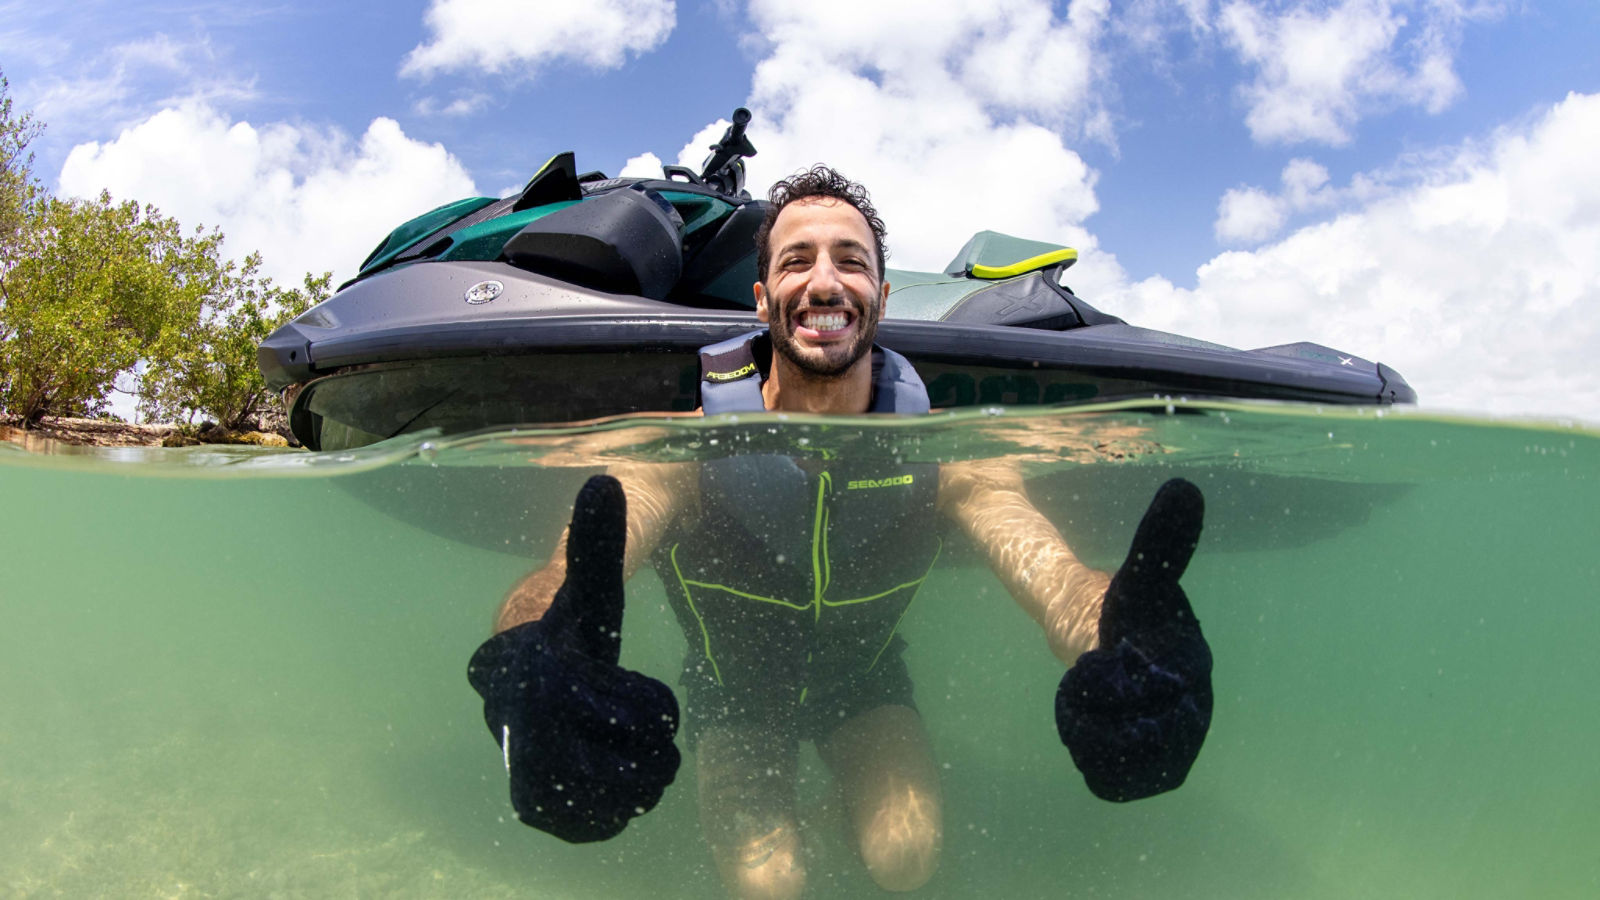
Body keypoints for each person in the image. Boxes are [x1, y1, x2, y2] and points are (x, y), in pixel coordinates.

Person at [468, 166, 1212, 898]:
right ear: (762, 301)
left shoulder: (946, 459)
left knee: (905, 858)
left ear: (881, 299)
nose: (824, 283)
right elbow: (560, 582)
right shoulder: (687, 450)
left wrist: (1124, 636)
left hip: (864, 678)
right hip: (736, 690)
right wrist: (534, 658)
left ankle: (828, 808)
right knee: (772, 885)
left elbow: (1058, 582)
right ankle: (779, 812)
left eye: (850, 261)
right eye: (797, 261)